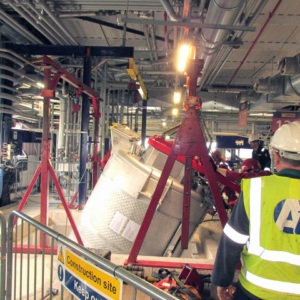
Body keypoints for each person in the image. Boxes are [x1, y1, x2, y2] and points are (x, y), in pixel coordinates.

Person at [211, 121, 300, 300]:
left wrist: (222, 280)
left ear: (275, 157)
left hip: (256, 291)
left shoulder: (256, 188)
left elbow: (232, 240)